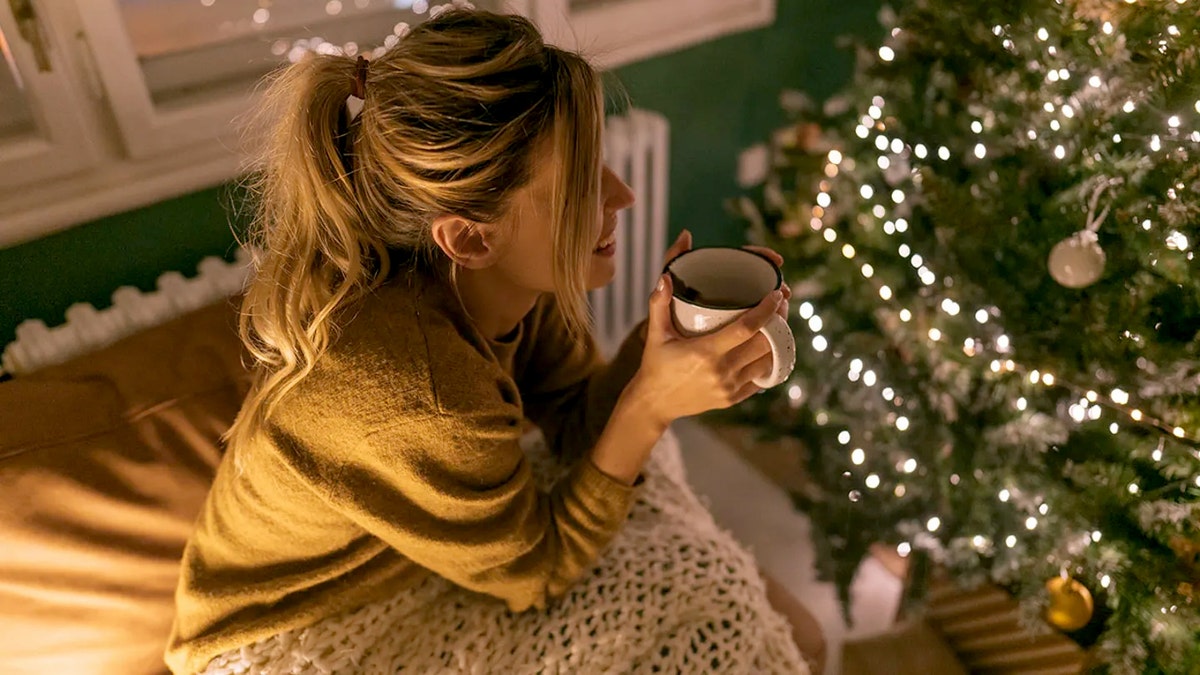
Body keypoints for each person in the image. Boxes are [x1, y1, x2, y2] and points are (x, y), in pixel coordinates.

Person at [166, 5, 823, 674]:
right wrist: (649, 404)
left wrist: (659, 349)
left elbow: (573, 421)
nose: (621, 196)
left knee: (710, 585)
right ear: (472, 237)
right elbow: (537, 570)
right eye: (578, 188)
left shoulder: (506, 286)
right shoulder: (419, 392)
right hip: (295, 632)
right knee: (721, 619)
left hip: (416, 554)